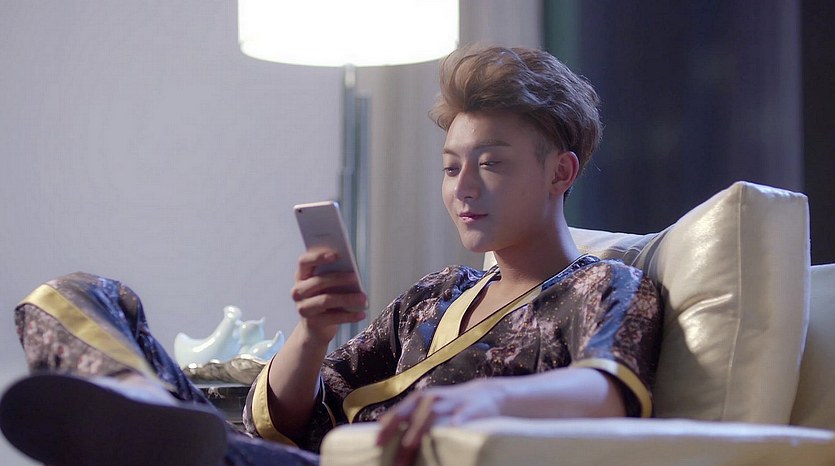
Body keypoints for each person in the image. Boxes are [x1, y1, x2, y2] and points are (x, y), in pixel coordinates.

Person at [0, 45, 663, 466]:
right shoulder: (437, 295)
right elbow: (290, 418)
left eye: (490, 164)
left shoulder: (604, 285)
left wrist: (485, 401)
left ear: (559, 172)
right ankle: (142, 408)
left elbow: (605, 390)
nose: (462, 187)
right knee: (72, 295)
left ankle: (150, 442)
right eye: (449, 166)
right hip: (279, 456)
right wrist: (314, 331)